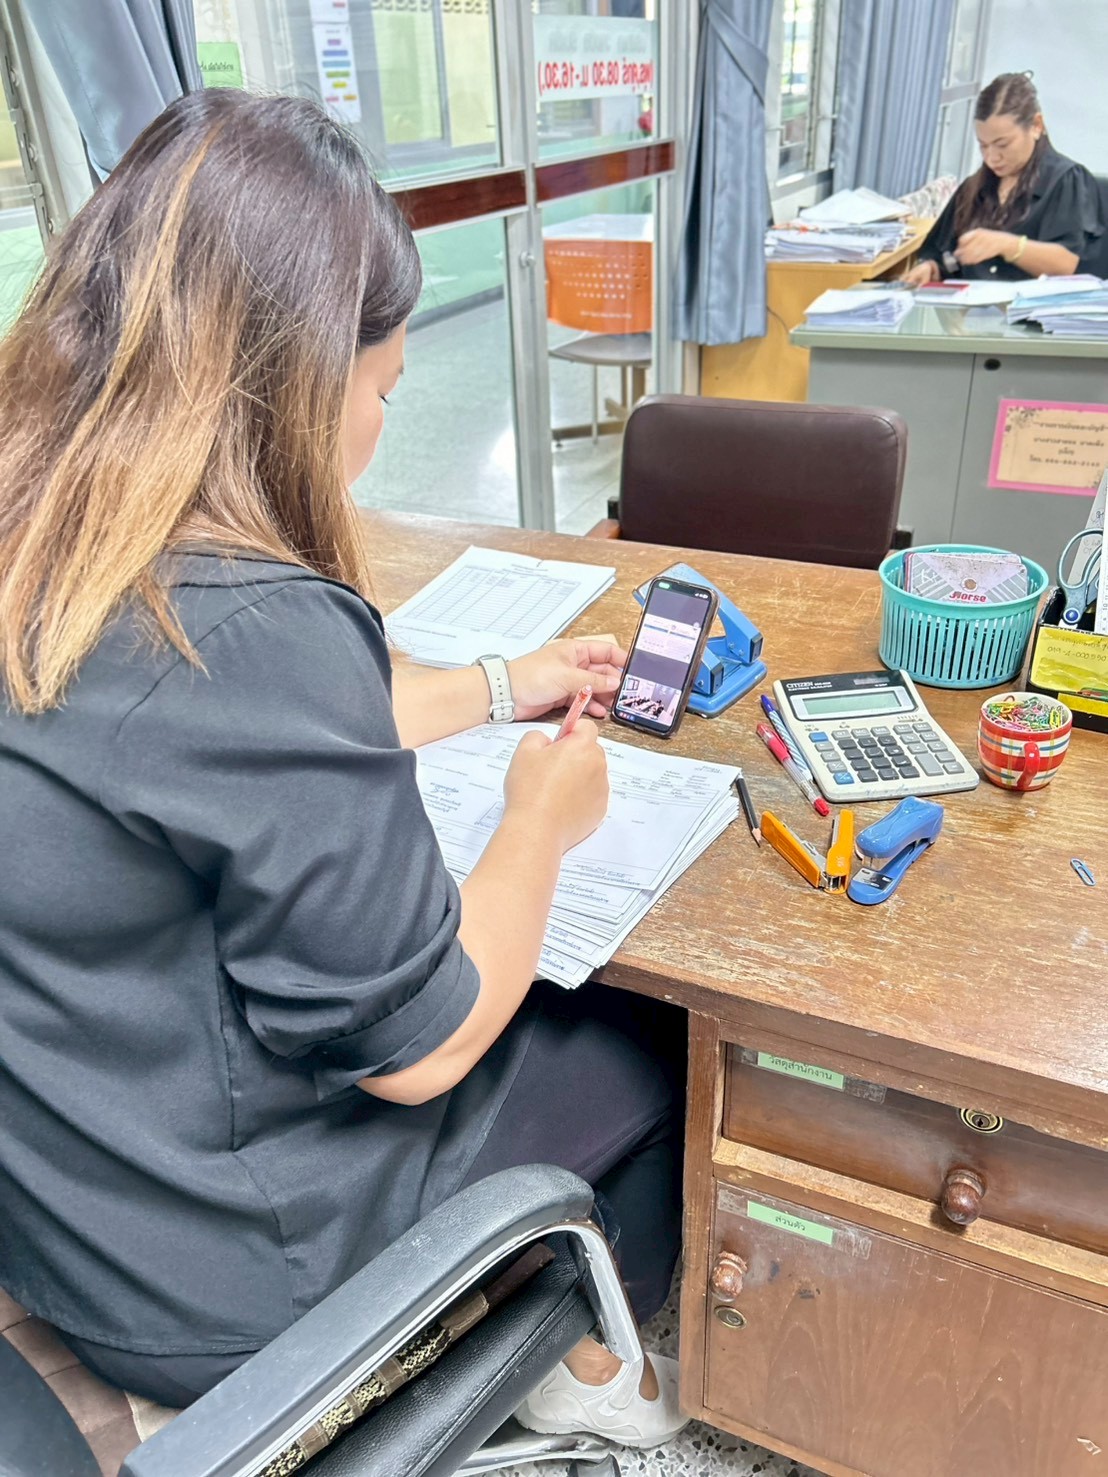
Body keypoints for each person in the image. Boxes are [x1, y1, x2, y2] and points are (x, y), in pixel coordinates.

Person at [0, 90, 688, 1449]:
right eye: (380, 389)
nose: (378, 424)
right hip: (225, 1285)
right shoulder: (252, 626)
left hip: (66, 1209)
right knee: (640, 1042)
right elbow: (421, 1051)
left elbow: (192, 741)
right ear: (299, 384)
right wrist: (539, 820)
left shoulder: (50, 529)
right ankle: (569, 1352)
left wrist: (497, 685)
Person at [902, 72, 1103, 286]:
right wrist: (931, 267)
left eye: (1002, 144)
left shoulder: (1065, 181)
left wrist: (1008, 246)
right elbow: (941, 253)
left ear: (1036, 126)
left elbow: (1069, 265)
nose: (992, 157)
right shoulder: (974, 187)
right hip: (969, 302)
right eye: (983, 145)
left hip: (1029, 305)